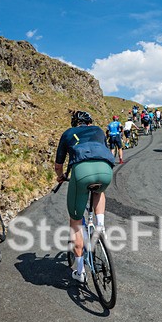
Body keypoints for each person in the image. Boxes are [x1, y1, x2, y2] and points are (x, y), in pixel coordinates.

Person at [55, 111, 116, 283]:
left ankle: (80, 272)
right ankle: (101, 226)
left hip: (82, 172)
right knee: (99, 190)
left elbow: (58, 164)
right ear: (89, 122)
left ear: (75, 123)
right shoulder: (97, 130)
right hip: (105, 170)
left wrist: (60, 176)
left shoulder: (68, 133)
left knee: (75, 221)